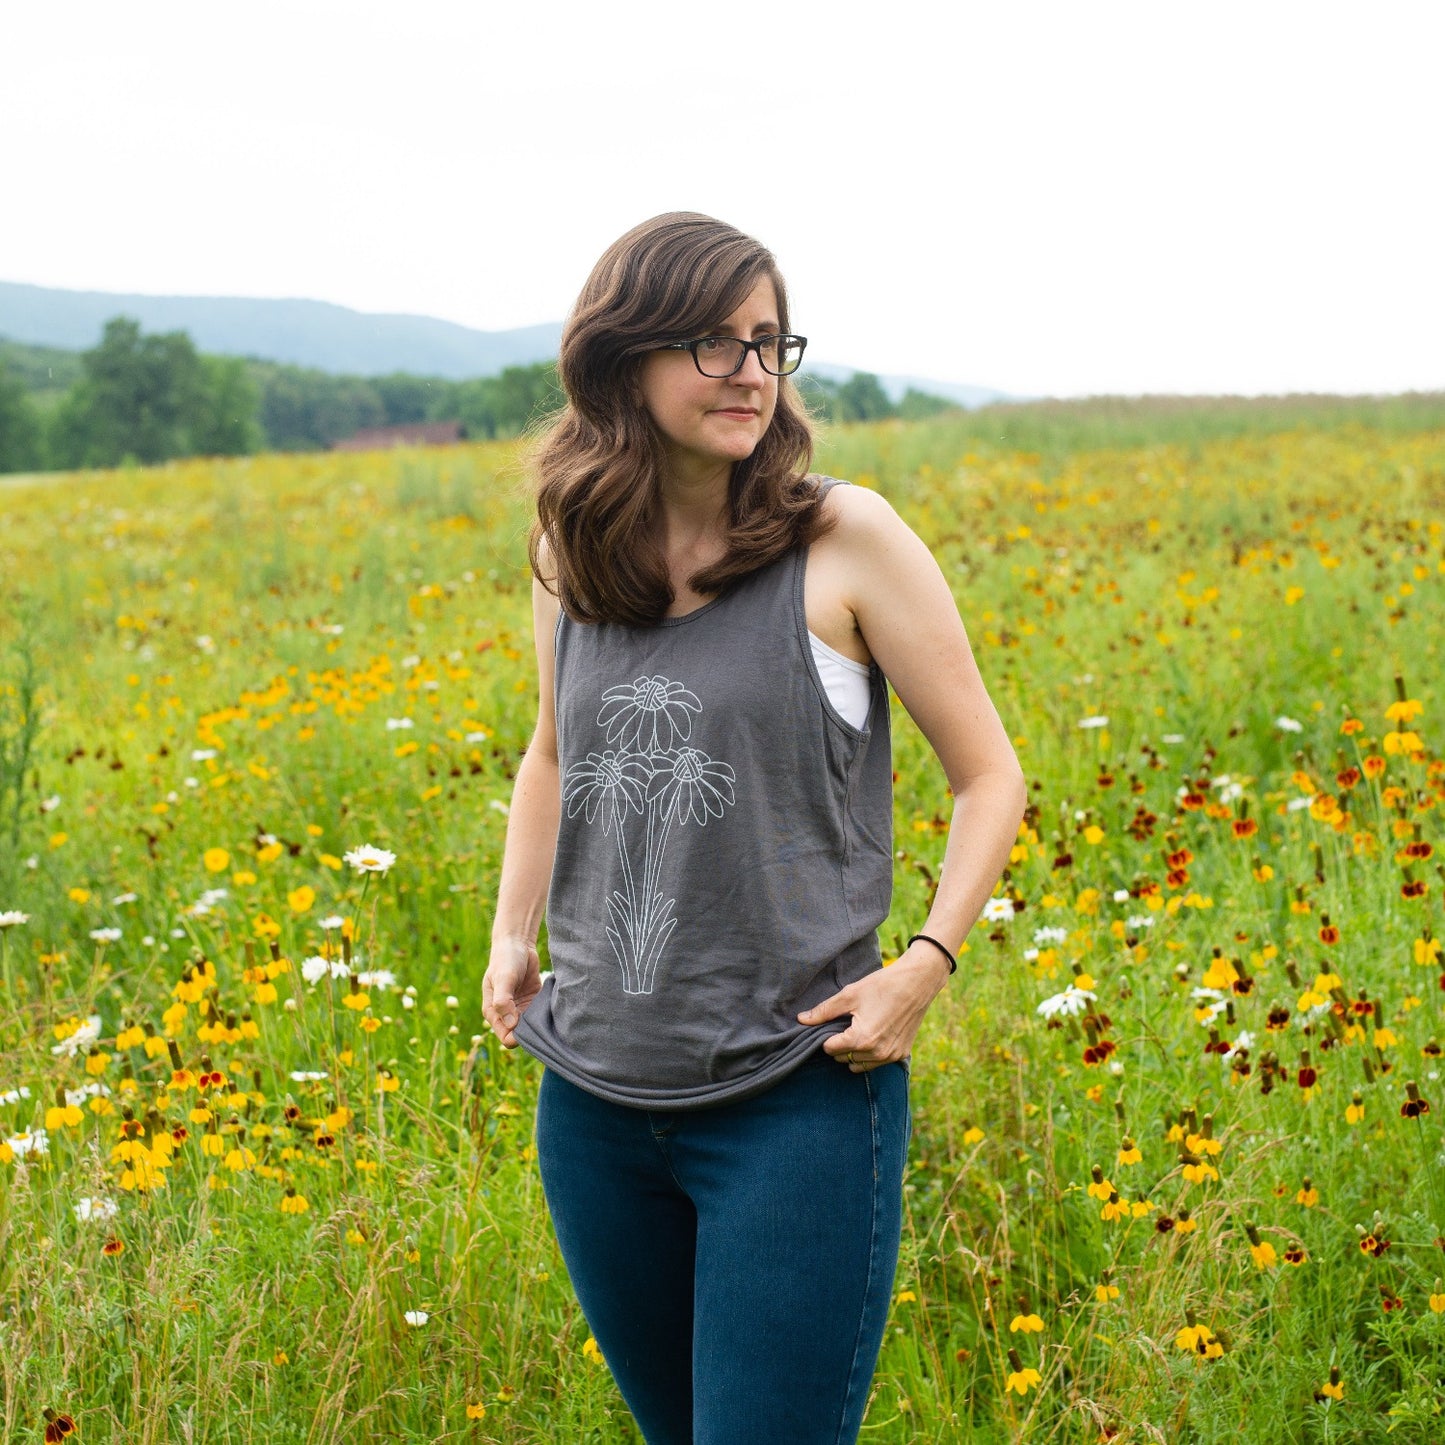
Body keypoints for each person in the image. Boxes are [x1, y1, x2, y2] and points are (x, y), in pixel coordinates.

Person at [482, 212, 1026, 1445]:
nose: (749, 370)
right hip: (593, 1093)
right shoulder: (569, 546)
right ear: (622, 358)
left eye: (768, 340)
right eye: (711, 341)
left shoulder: (843, 538)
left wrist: (921, 969)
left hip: (794, 1091)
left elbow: (988, 774)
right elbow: (554, 751)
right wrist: (511, 935)